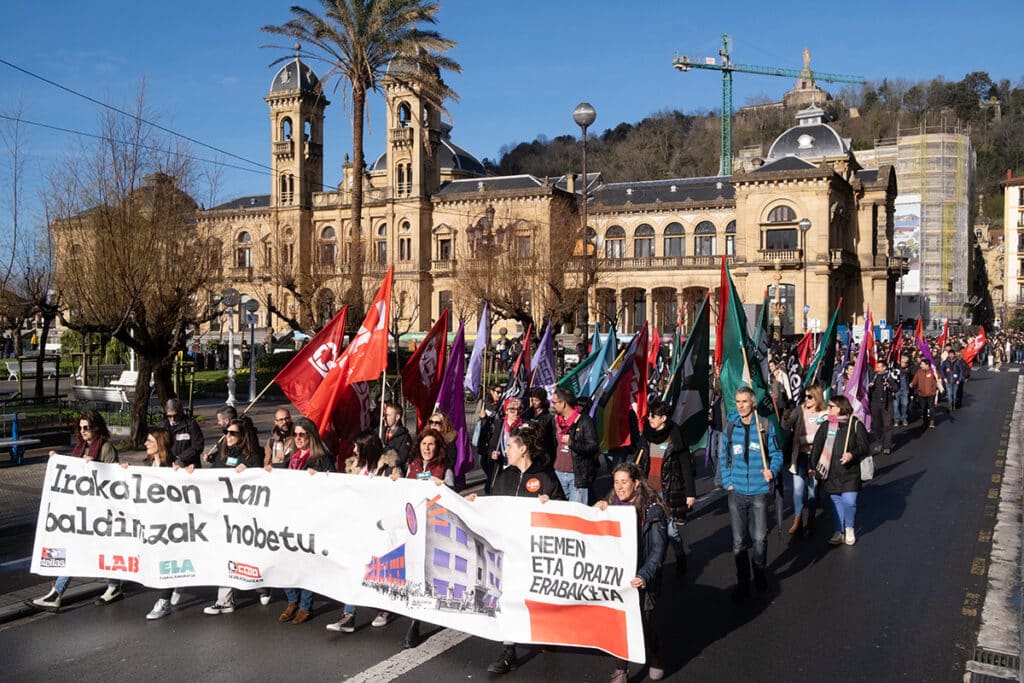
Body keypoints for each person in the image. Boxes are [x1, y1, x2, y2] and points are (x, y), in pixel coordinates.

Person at [468, 424, 564, 675]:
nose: (505, 449)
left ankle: (545, 631)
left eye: (510, 445)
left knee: (537, 596)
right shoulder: (504, 476)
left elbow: (564, 510)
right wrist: (475, 504)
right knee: (508, 598)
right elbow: (493, 506)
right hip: (508, 551)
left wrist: (550, 504)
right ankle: (509, 651)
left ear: (523, 449)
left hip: (534, 553)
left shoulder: (545, 477)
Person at [31, 411, 122, 610]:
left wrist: (95, 466)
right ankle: (57, 592)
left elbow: (115, 479)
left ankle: (114, 586)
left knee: (107, 550)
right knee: (73, 547)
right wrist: (58, 460)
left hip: (101, 511)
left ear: (96, 428)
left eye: (86, 428)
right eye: (80, 428)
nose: (82, 432)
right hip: (82, 511)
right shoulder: (81, 448)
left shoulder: (106, 448)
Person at [597, 463, 668, 683]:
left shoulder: (652, 510)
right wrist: (597, 509)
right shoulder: (610, 504)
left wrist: (644, 575)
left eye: (624, 481)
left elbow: (658, 550)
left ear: (636, 484)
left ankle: (655, 656)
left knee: (643, 626)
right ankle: (621, 670)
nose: (619, 487)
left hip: (642, 579)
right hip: (619, 579)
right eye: (616, 481)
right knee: (619, 623)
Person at [326, 430, 398, 632]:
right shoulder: (355, 468)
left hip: (380, 528)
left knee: (379, 571)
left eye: (358, 446)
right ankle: (348, 615)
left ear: (368, 448)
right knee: (353, 569)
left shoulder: (387, 469)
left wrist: (396, 481)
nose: (354, 449)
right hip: (358, 528)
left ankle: (384, 608)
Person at [391, 427, 455, 649]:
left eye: (431, 444)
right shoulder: (413, 466)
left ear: (437, 447)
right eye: (424, 444)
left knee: (431, 574)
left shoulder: (444, 469)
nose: (427, 448)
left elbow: (453, 502)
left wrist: (444, 489)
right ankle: (414, 623)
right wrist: (395, 480)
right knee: (415, 574)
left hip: (434, 529)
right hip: (413, 528)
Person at [268, 417, 335, 624]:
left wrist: (320, 478)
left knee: (306, 562)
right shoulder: (293, 457)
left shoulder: (321, 457)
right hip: (290, 516)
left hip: (310, 518)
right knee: (287, 559)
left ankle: (306, 605)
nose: (297, 438)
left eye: (302, 435)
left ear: (310, 436)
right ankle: (292, 600)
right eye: (295, 434)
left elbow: (333, 484)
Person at [720, 387, 783, 600]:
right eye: (737, 401)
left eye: (744, 401)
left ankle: (759, 568)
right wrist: (727, 480)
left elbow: (776, 454)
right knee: (738, 542)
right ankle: (743, 582)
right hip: (736, 491)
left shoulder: (765, 425)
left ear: (752, 403)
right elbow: (725, 455)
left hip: (759, 491)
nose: (740, 405)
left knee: (760, 538)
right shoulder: (731, 425)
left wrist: (772, 471)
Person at [204, 419, 264, 615]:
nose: (227, 436)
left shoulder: (252, 457)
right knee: (226, 556)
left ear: (242, 436)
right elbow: (211, 480)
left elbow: (260, 480)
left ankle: (263, 584)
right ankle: (225, 600)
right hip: (222, 515)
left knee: (249, 554)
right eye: (226, 432)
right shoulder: (222, 454)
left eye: (232, 433)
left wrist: (249, 471)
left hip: (243, 517)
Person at [635, 399, 695, 576]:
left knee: (671, 532)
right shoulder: (646, 435)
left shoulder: (675, 435)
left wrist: (690, 494)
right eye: (649, 415)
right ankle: (651, 566)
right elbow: (638, 459)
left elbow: (686, 466)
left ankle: (679, 554)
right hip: (648, 491)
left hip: (667, 491)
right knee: (647, 529)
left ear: (663, 418)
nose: (650, 419)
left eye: (654, 416)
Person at [810, 395, 870, 546]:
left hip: (850, 473)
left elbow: (864, 447)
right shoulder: (826, 425)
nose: (828, 409)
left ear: (841, 408)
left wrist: (851, 454)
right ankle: (839, 531)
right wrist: (813, 466)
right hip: (831, 473)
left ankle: (849, 528)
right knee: (836, 503)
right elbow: (817, 447)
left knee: (849, 502)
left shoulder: (855, 424)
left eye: (832, 407)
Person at [136, 427, 181, 620]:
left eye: (149, 440)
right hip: (152, 522)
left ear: (159, 443)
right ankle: (178, 583)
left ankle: (164, 601)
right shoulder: (148, 465)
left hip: (169, 524)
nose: (145, 443)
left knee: (168, 559)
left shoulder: (172, 466)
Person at [783, 385, 827, 535]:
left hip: (816, 458)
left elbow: (825, 436)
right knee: (797, 490)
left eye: (810, 397)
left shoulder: (825, 413)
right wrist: (785, 417)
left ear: (817, 398)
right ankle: (797, 519)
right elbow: (787, 426)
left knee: (813, 491)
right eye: (805, 396)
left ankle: (811, 520)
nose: (806, 399)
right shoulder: (800, 409)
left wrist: (804, 439)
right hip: (799, 456)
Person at [550, 388, 600, 504]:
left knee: (575, 514)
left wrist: (572, 443)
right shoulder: (556, 421)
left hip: (577, 476)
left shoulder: (584, 421)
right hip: (558, 473)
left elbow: (593, 447)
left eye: (554, 403)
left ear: (563, 404)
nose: (553, 406)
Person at [486, 397, 524, 488]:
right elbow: (492, 446)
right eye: (512, 410)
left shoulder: (524, 426)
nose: (516, 412)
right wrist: (492, 453)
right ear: (506, 411)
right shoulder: (499, 424)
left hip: (517, 467)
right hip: (501, 466)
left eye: (519, 409)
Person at [475, 386, 504, 494]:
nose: (499, 395)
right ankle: (492, 481)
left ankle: (491, 486)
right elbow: (476, 418)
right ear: (491, 392)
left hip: (493, 441)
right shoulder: (483, 403)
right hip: (483, 439)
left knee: (491, 466)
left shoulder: (500, 406)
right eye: (497, 392)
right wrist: (482, 416)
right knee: (482, 462)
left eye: (501, 392)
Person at [162, 398, 204, 468]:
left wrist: (181, 458)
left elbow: (198, 446)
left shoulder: (191, 424)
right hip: (170, 465)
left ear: (181, 412)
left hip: (189, 465)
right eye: (169, 416)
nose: (172, 419)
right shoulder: (163, 426)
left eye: (175, 415)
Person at [868, 359, 896, 455]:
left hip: (887, 404)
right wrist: (870, 386)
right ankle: (879, 442)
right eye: (877, 367)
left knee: (887, 425)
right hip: (875, 404)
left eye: (880, 367)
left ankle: (887, 446)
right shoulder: (874, 376)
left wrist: (889, 385)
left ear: (885, 368)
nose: (878, 369)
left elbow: (896, 387)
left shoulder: (889, 376)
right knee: (876, 425)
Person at [525, 387, 556, 465]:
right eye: (532, 400)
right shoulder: (528, 413)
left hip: (543, 451)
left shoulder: (548, 416)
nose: (534, 402)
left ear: (542, 401)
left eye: (536, 400)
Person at [382, 401, 413, 470]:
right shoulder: (380, 431)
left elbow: (401, 459)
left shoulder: (405, 437)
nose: (385, 418)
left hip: (392, 473)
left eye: (388, 415)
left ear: (397, 417)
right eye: (384, 415)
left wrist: (385, 449)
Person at [910, 359, 939, 429]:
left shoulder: (933, 372)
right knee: (923, 409)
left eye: (922, 364)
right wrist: (912, 383)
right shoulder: (919, 372)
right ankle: (925, 421)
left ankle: (931, 421)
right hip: (921, 393)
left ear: (927, 365)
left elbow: (939, 378)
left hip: (931, 393)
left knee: (931, 407)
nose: (921, 365)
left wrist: (939, 381)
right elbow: (915, 379)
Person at [893, 355, 913, 427]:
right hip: (896, 390)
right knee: (896, 405)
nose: (905, 364)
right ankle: (896, 420)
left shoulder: (908, 370)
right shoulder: (896, 369)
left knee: (905, 404)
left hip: (905, 390)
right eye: (903, 362)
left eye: (906, 362)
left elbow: (911, 376)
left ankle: (904, 418)